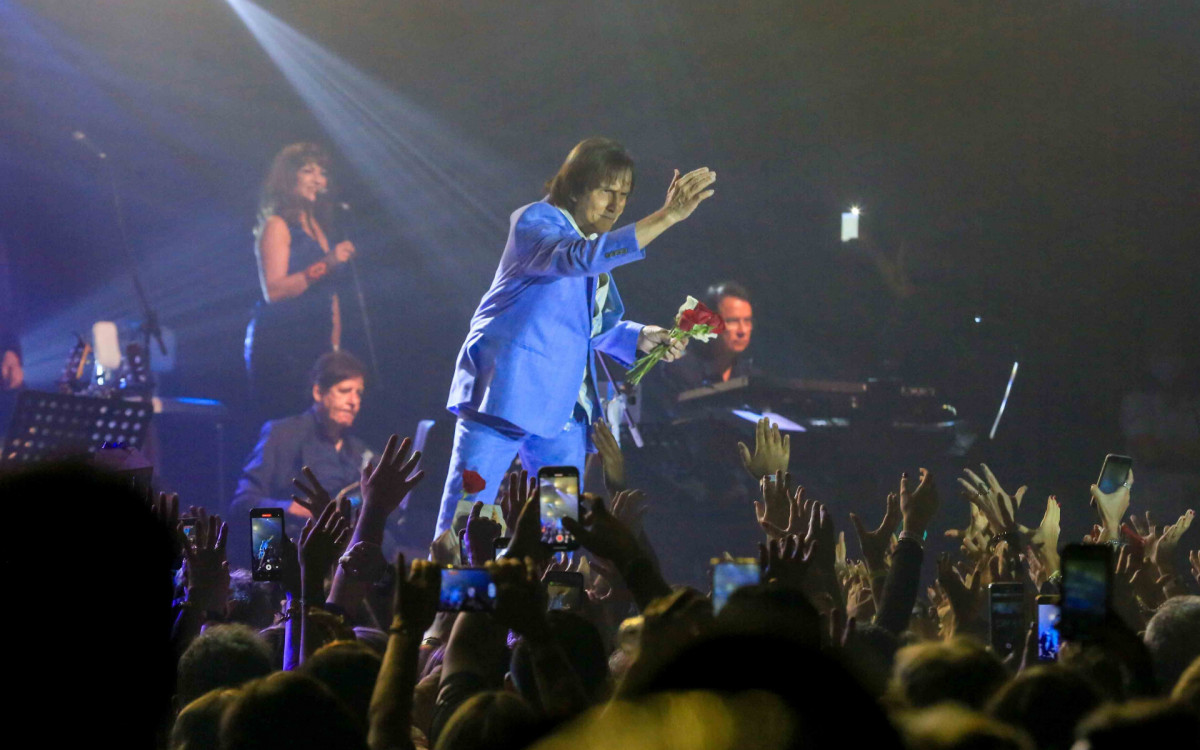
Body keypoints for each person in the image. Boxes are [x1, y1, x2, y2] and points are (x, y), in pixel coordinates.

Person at [433, 137, 716, 536]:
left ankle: (554, 599)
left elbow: (592, 328)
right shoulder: (537, 221)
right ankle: (454, 600)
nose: (616, 206)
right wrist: (667, 216)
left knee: (560, 532)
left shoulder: (590, 251)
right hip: (503, 398)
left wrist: (642, 337)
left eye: (625, 195)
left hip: (565, 416)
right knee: (466, 521)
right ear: (575, 187)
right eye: (606, 191)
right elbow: (575, 260)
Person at [245, 142, 357, 421]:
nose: (318, 180)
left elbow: (330, 295)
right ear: (289, 177)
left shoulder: (319, 227)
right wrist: (327, 263)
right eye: (309, 171)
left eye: (322, 173)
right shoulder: (277, 225)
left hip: (317, 341)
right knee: (288, 424)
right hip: (282, 345)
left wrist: (334, 348)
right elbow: (274, 290)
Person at [229, 350, 373, 567]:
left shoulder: (359, 451)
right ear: (318, 392)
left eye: (359, 393)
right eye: (345, 391)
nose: (354, 401)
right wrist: (289, 508)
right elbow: (243, 502)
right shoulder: (282, 434)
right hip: (292, 547)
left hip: (339, 552)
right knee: (268, 530)